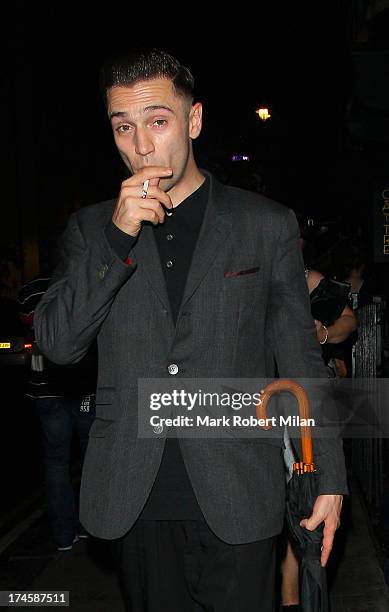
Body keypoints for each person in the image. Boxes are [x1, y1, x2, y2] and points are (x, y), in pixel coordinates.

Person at [35, 48, 347, 611]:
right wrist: (118, 236)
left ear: (193, 120)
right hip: (135, 490)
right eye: (123, 127)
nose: (142, 145)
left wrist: (329, 477)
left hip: (240, 488)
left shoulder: (264, 224)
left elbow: (301, 363)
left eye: (158, 121)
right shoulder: (92, 229)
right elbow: (58, 345)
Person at [280, 267, 357, 609]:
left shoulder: (307, 278)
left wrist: (321, 334)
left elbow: (349, 322)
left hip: (304, 407)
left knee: (302, 504)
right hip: (252, 399)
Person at [19, 275, 97, 551]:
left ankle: (64, 536)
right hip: (85, 389)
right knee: (93, 460)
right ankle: (91, 526)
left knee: (55, 465)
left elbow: (30, 331)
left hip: (45, 391)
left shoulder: (30, 291)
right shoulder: (83, 282)